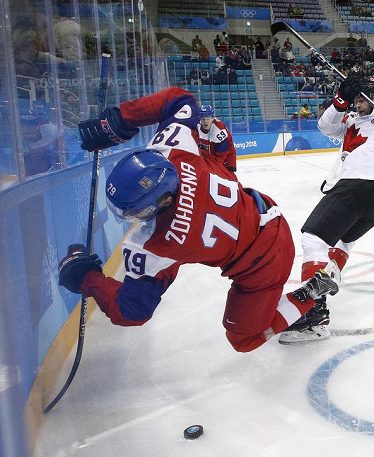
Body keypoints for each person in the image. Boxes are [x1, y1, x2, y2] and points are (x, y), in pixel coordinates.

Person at [58, 87, 340, 353]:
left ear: (164, 199)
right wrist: (119, 119)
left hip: (263, 263)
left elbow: (131, 311)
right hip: (266, 213)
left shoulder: (158, 243)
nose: (136, 219)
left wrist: (88, 279)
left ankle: (310, 294)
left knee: (243, 339)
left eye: (139, 212)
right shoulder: (175, 153)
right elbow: (181, 100)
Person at [278, 76, 374, 344]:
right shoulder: (350, 121)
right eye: (357, 98)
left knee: (312, 238)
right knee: (343, 242)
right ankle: (327, 276)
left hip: (362, 183)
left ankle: (314, 317)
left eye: (364, 98)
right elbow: (325, 126)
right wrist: (340, 99)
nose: (359, 102)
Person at [197, 104, 237, 172]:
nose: (205, 121)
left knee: (227, 179)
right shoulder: (196, 125)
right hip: (209, 156)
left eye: (208, 119)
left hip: (226, 157)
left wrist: (211, 168)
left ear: (212, 118)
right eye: (203, 119)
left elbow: (221, 156)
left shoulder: (219, 131)